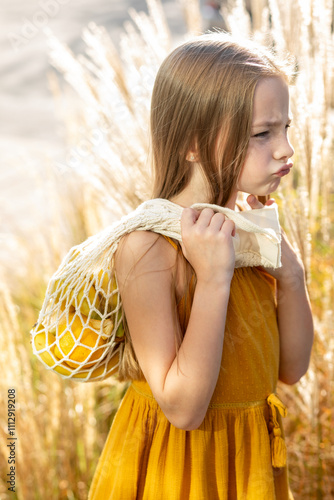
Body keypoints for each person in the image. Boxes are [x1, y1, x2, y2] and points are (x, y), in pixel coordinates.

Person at [88, 33, 314, 499]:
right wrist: (213, 279)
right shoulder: (149, 247)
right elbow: (183, 409)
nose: (286, 149)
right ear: (193, 142)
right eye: (262, 133)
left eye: (286, 129)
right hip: (180, 471)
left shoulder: (248, 230)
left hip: (246, 466)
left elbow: (291, 368)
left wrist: (292, 277)